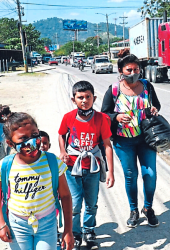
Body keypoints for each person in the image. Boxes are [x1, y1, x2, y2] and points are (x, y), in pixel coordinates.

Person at [0, 106, 74, 250]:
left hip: (47, 224)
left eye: (35, 134)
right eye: (23, 138)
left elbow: (65, 196)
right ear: (10, 144)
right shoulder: (5, 166)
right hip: (17, 225)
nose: (32, 142)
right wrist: (0, 223)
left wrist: (68, 230)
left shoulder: (53, 162)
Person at [101, 49, 161, 228]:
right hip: (123, 141)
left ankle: (148, 209)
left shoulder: (147, 86)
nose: (133, 73)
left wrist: (154, 109)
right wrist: (116, 117)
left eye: (136, 69)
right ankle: (133, 210)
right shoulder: (113, 90)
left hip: (146, 139)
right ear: (120, 71)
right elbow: (104, 113)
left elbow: (156, 104)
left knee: (150, 175)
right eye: (129, 70)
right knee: (131, 175)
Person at [58, 80, 115, 249]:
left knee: (91, 202)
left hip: (93, 167)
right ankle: (75, 232)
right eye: (80, 97)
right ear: (73, 99)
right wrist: (63, 151)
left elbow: (107, 145)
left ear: (94, 98)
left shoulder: (101, 119)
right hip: (72, 167)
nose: (84, 100)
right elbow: (61, 135)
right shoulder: (68, 117)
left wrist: (110, 171)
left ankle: (89, 230)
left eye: (88, 97)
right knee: (75, 202)